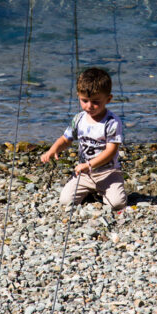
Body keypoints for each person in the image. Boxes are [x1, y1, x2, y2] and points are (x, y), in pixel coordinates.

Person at [40, 67, 127, 210]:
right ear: (78, 96)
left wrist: (89, 165)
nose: (89, 106)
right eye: (84, 100)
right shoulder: (79, 119)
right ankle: (89, 192)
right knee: (65, 201)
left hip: (108, 172)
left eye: (96, 102)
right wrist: (53, 150)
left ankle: (106, 190)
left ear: (108, 99)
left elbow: (111, 151)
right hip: (84, 174)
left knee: (117, 204)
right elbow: (66, 139)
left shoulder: (112, 122)